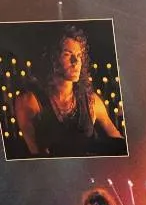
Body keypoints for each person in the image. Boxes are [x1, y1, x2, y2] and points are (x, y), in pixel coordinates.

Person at [14, 25, 125, 157]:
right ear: (52, 58)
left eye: (79, 55)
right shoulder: (29, 101)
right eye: (67, 54)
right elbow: (37, 156)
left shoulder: (91, 101)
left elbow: (118, 142)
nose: (76, 61)